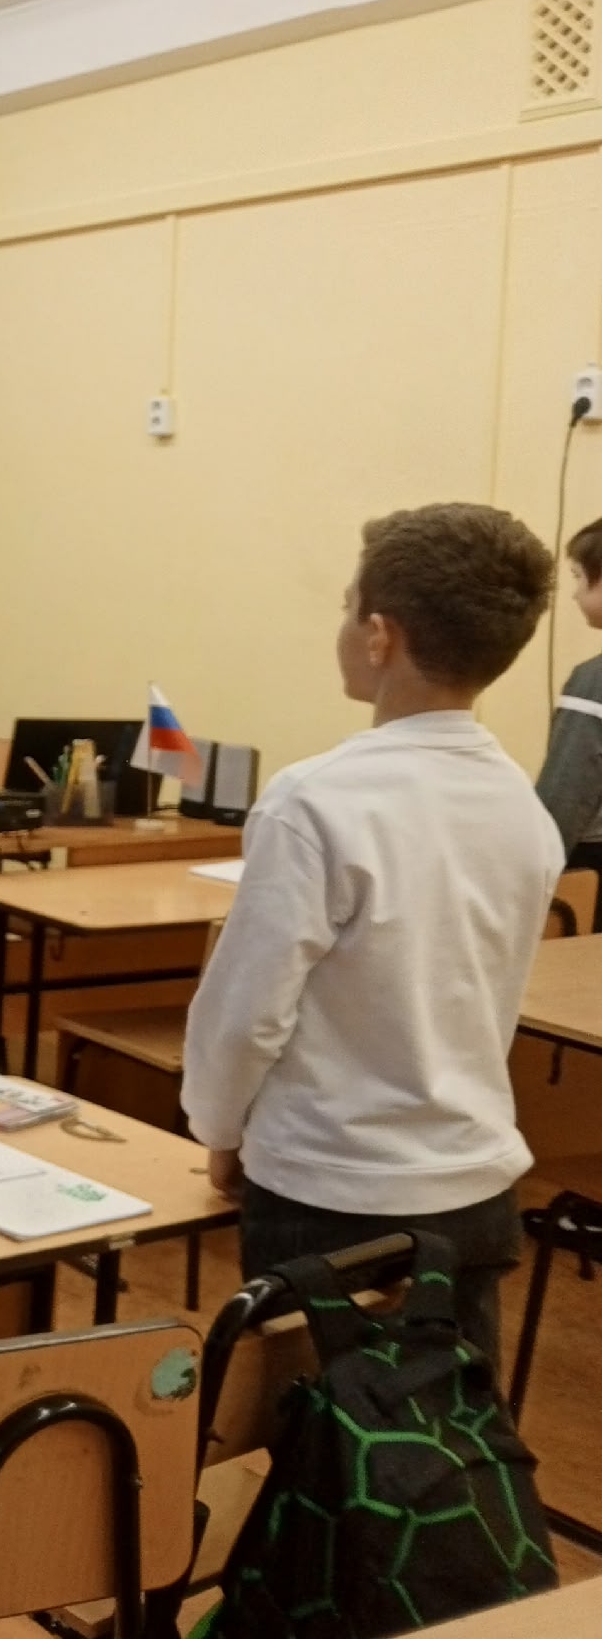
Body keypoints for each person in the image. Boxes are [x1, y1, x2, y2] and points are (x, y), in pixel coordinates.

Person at [183, 503, 561, 1364]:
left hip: (330, 1189)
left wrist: (219, 1128)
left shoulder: (315, 799)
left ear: (380, 636)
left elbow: (247, 1011)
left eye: (348, 607)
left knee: (313, 1429)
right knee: (447, 1431)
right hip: (473, 1188)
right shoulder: (523, 807)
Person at [535, 515, 602, 870]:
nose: (574, 593)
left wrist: (535, 864)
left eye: (578, 577)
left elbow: (565, 795)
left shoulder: (593, 681)